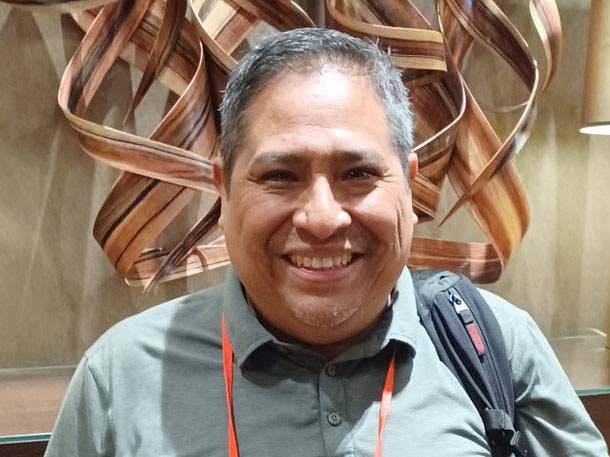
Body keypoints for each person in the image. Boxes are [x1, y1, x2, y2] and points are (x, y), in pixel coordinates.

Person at [44, 28, 608, 457]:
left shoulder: (497, 345)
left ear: (409, 188)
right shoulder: (119, 377)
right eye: (280, 175)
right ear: (224, 190)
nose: (322, 218)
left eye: (358, 173)